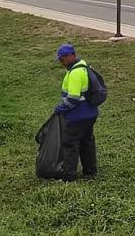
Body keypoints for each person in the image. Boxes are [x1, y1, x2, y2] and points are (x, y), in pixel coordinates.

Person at [54, 44, 98, 181]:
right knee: (87, 142)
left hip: (77, 116)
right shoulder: (83, 67)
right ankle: (90, 172)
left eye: (62, 59)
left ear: (70, 56)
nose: (61, 63)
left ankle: (69, 176)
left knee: (70, 144)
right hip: (90, 113)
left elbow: (73, 98)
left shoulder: (75, 73)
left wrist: (61, 108)